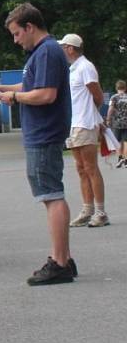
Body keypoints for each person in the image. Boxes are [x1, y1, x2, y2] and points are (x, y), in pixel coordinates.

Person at [0, 2, 76, 285]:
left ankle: (60, 262)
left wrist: (14, 98)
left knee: (51, 195)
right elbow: (29, 87)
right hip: (42, 132)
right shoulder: (44, 52)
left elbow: (45, 95)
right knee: (50, 195)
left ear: (30, 27)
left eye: (17, 34)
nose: (16, 40)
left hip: (44, 133)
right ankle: (63, 257)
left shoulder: (46, 52)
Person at [59, 34, 109, 228]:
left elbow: (98, 96)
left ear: (71, 48)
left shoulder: (85, 67)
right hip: (75, 123)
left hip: (85, 124)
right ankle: (87, 210)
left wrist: (92, 117)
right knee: (81, 169)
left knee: (90, 167)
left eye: (64, 47)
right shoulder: (73, 68)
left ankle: (101, 212)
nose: (62, 50)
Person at [106, 80, 127, 168]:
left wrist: (108, 119)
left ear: (116, 88)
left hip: (117, 123)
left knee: (117, 142)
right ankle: (125, 159)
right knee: (126, 142)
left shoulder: (114, 97)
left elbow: (111, 109)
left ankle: (120, 158)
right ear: (125, 88)